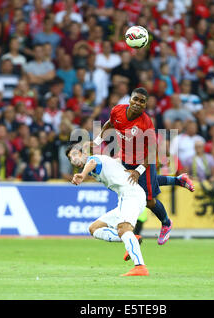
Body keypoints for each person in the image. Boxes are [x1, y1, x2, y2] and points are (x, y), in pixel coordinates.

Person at [93, 87, 195, 245]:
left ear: (145, 105)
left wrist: (139, 171)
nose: (137, 103)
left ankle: (166, 223)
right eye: (135, 99)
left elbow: (153, 151)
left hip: (144, 162)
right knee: (144, 184)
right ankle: (178, 180)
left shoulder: (146, 123)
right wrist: (96, 142)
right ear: (130, 99)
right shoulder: (117, 110)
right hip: (126, 158)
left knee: (149, 200)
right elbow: (110, 123)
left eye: (142, 101)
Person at [66, 142, 148, 277]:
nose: (73, 159)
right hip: (127, 197)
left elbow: (92, 162)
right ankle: (130, 239)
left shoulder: (95, 159)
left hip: (130, 195)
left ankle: (140, 266)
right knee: (94, 228)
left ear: (84, 153)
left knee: (124, 229)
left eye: (75, 154)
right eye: (70, 158)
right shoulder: (102, 162)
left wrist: (83, 174)